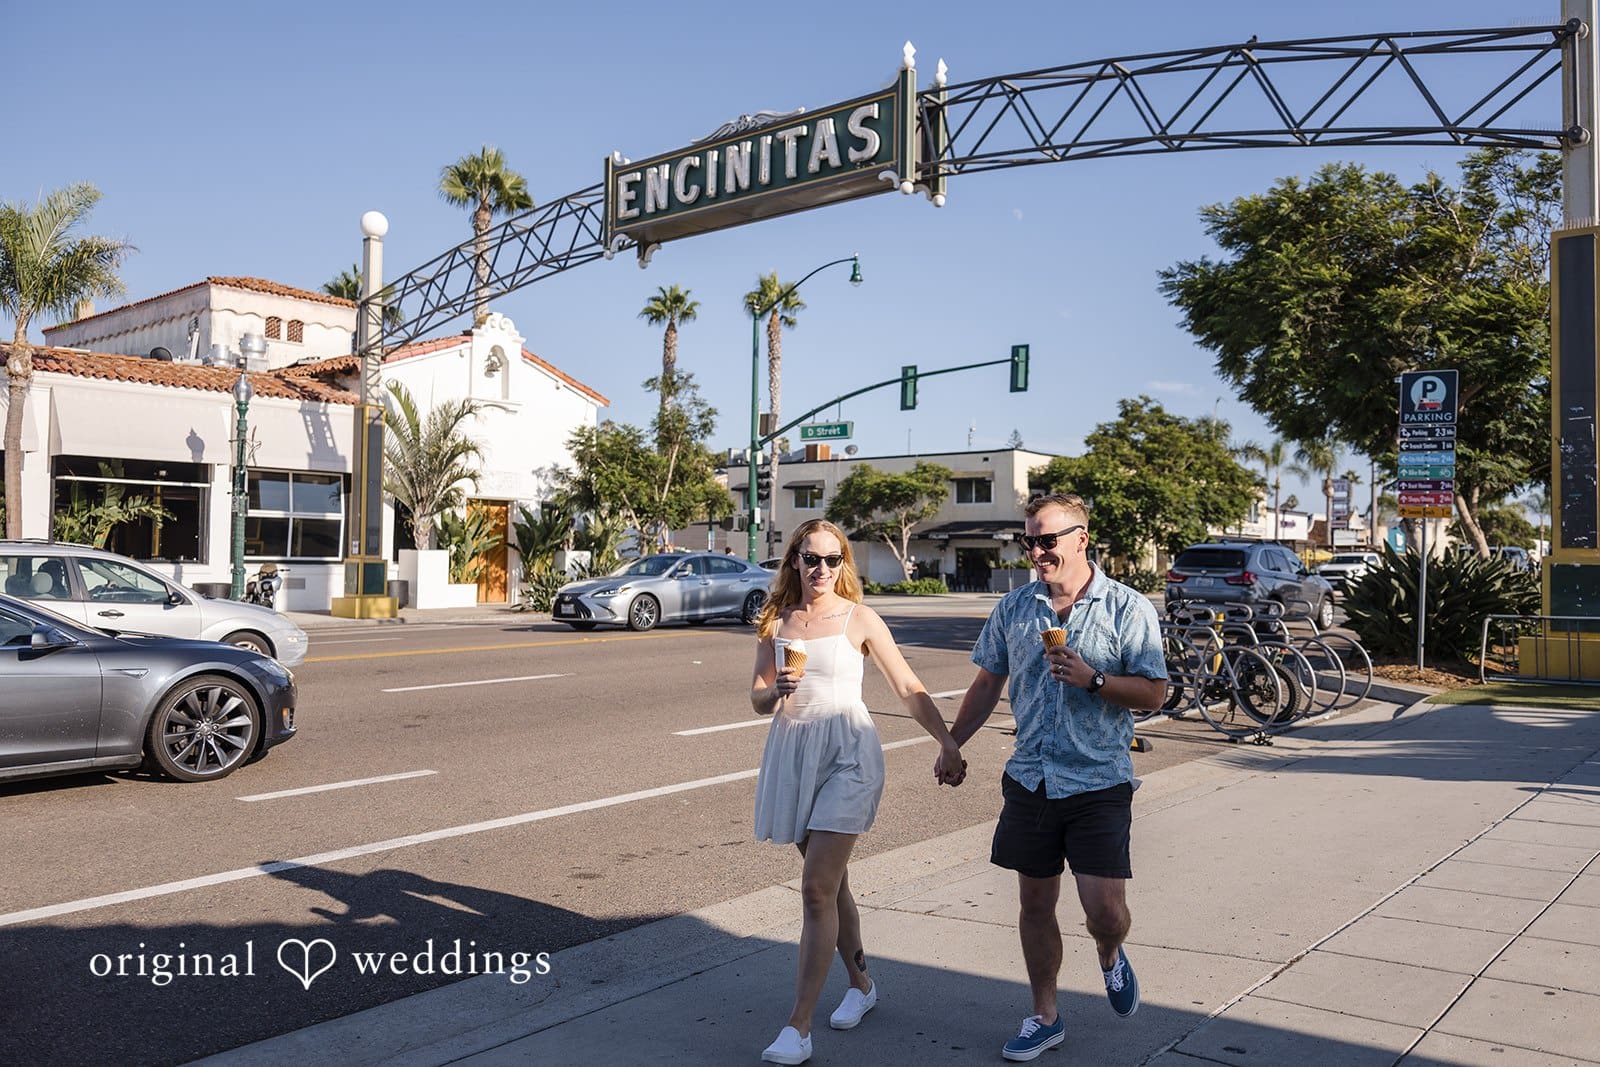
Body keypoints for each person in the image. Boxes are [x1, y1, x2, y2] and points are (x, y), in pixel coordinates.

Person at [937, 493, 1167, 1062]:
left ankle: (1110, 955)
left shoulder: (1127, 608)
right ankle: (1045, 1015)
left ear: (1081, 538)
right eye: (1029, 540)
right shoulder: (1016, 608)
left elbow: (1155, 691)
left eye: (1047, 539)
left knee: (1104, 913)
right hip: (1032, 779)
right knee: (1035, 905)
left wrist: (1094, 680)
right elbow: (988, 683)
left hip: (1098, 780)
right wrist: (951, 743)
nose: (1037, 550)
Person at [750, 518, 964, 1065]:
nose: (821, 569)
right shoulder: (777, 621)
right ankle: (863, 986)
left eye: (832, 559)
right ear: (794, 560)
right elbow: (756, 698)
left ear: (844, 564)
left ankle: (798, 1027)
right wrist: (776, 689)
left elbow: (907, 686)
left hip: (848, 753)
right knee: (834, 886)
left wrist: (948, 742)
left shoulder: (859, 619)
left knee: (816, 888)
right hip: (795, 753)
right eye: (811, 558)